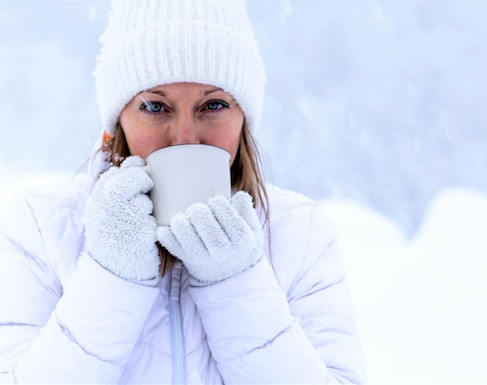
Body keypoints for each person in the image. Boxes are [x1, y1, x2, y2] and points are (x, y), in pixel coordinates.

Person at [0, 0, 366, 383]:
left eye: (214, 104)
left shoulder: (299, 233)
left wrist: (236, 283)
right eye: (156, 107)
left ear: (244, 117)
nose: (185, 138)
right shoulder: (40, 227)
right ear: (118, 119)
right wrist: (111, 277)